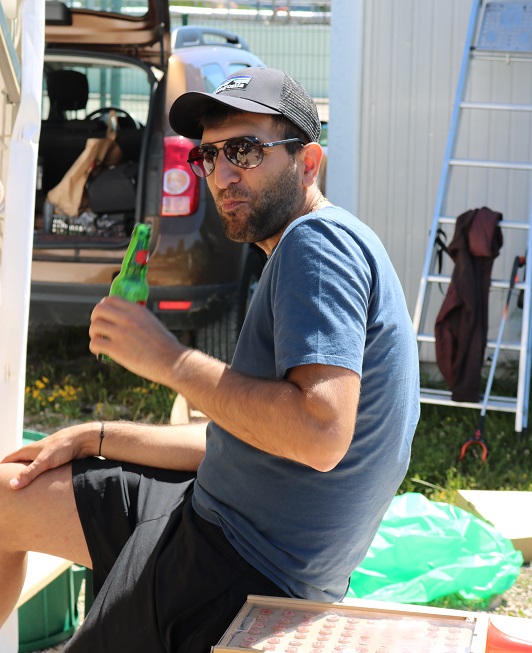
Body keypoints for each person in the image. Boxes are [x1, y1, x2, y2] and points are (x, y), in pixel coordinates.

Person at [0, 67, 420, 652]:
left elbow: (320, 433)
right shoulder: (320, 244)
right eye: (209, 155)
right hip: (212, 511)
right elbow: (241, 434)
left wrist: (169, 360)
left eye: (245, 151)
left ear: (307, 162)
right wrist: (93, 436)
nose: (222, 175)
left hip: (239, 566)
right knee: (7, 497)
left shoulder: (316, 245)